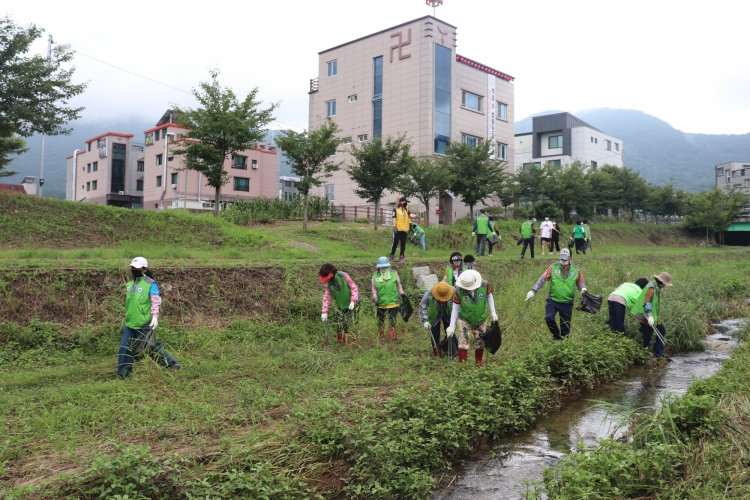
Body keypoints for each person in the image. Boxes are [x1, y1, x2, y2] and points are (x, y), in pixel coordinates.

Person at [117, 257, 181, 379]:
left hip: (144, 323)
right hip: (130, 323)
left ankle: (172, 364)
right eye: (132, 268)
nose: (134, 270)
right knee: (124, 347)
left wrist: (155, 317)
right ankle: (123, 374)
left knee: (152, 347)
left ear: (144, 269)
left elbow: (155, 301)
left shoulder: (151, 284)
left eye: (137, 268)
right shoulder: (129, 285)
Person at [525, 248, 587, 341]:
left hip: (567, 302)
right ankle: (556, 336)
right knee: (549, 318)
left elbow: (580, 283)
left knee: (565, 326)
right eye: (561, 259)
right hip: (553, 300)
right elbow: (542, 279)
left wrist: (583, 289)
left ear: (570, 257)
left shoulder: (576, 270)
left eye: (565, 259)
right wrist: (533, 291)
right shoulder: (553, 267)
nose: (563, 261)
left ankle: (564, 343)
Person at [446, 269, 498, 366]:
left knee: (480, 340)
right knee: (463, 341)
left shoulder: (484, 285)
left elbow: (489, 296)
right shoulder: (458, 290)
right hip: (464, 318)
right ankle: (463, 364)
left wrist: (493, 311)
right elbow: (455, 308)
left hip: (480, 318)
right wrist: (451, 325)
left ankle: (478, 361)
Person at [632, 272, 673, 359]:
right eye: (665, 284)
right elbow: (647, 303)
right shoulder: (651, 288)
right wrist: (650, 317)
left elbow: (654, 304)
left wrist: (654, 317)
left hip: (652, 314)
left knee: (661, 330)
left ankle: (659, 352)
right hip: (644, 314)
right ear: (661, 282)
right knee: (647, 334)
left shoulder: (656, 287)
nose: (664, 286)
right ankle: (645, 354)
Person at [319, 263, 360, 345]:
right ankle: (341, 344)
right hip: (340, 305)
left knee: (350, 324)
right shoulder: (329, 283)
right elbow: (326, 297)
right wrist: (324, 311)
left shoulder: (343, 276)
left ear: (331, 272)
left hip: (352, 304)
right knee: (339, 325)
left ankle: (353, 344)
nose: (326, 279)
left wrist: (353, 301)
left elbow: (354, 288)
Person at [372, 256, 406, 340]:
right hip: (381, 302)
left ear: (388, 266)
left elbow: (398, 285)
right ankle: (381, 337)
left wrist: (402, 294)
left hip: (393, 302)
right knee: (380, 321)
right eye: (382, 267)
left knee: (392, 321)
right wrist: (375, 298)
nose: (384, 268)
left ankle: (392, 338)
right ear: (378, 267)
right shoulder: (375, 276)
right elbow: (373, 288)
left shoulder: (394, 274)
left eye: (385, 266)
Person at [419, 281, 454, 357]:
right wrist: (425, 320)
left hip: (448, 314)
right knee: (434, 333)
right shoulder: (429, 294)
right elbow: (423, 306)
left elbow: (459, 305)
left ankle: (450, 351)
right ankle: (437, 353)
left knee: (450, 333)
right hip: (434, 315)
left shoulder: (454, 291)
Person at [390, 197, 411, 262]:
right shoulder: (396, 210)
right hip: (398, 229)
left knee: (403, 244)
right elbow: (394, 218)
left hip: (405, 230)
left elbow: (410, 215)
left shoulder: (406, 210)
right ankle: (392, 255)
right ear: (401, 202)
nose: (406, 203)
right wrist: (394, 226)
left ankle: (401, 256)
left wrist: (416, 216)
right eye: (405, 202)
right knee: (395, 243)